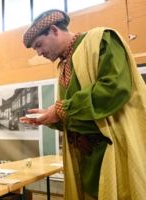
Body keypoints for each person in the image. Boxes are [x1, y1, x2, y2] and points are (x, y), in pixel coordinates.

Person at [20, 9, 146, 200]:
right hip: (85, 160)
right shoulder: (62, 66)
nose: (39, 53)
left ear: (54, 30)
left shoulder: (101, 40)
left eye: (39, 45)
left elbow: (113, 90)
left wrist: (62, 109)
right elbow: (77, 114)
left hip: (112, 153)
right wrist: (49, 117)